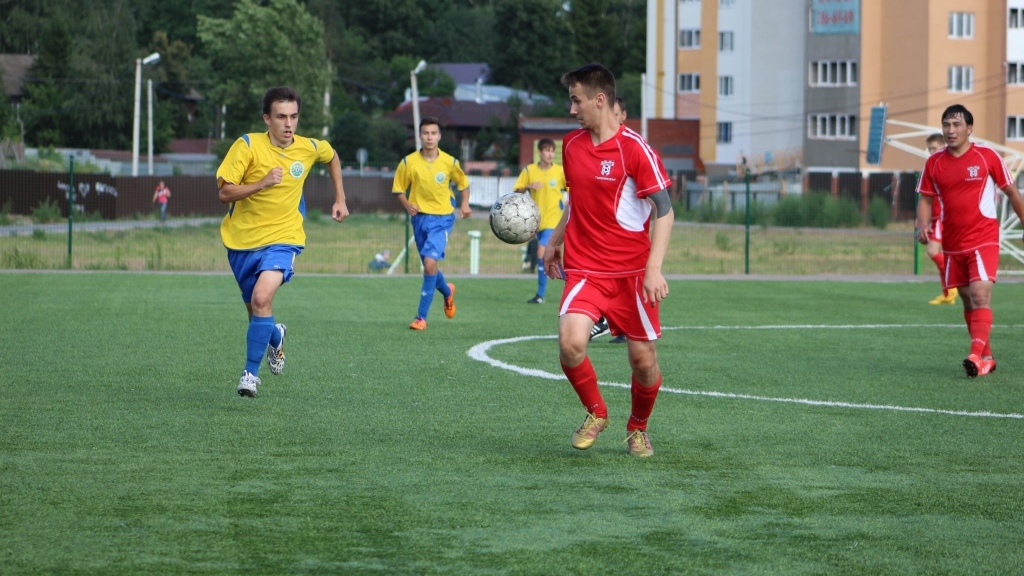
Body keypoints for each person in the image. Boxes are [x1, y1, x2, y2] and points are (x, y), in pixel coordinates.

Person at [543, 63, 674, 457]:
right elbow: (576, 200)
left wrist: (653, 269)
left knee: (643, 361)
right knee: (570, 344)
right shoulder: (571, 145)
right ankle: (597, 412)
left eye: (576, 100)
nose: (572, 109)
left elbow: (665, 210)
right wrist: (554, 241)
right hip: (586, 269)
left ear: (599, 100)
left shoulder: (635, 149)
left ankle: (638, 428)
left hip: (633, 274)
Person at [217, 86, 350, 397]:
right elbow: (225, 192)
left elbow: (332, 156)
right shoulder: (247, 146)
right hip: (242, 242)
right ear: (267, 119)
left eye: (293, 116)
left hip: (284, 239)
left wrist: (340, 198)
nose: (288, 124)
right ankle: (275, 336)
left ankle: (250, 375)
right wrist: (262, 183)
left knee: (262, 299)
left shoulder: (308, 147)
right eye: (281, 117)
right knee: (256, 312)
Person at [916, 104, 1024, 378]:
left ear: (969, 128)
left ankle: (974, 354)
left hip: (984, 239)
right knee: (967, 301)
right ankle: (986, 359)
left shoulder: (987, 156)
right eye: (946, 125)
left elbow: (1012, 192)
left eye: (956, 124)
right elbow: (925, 199)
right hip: (953, 244)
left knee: (980, 295)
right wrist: (923, 224)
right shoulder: (934, 163)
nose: (950, 130)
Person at [392, 116, 471, 330]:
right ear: (420, 136)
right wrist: (407, 204)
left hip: (442, 218)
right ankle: (448, 291)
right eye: (426, 133)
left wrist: (464, 204)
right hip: (419, 219)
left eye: (433, 133)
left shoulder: (449, 162)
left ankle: (421, 318)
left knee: (429, 264)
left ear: (439, 136)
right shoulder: (408, 162)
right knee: (430, 267)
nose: (429, 137)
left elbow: (463, 184)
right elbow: (398, 189)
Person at [591, 97, 631, 344]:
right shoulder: (594, 146)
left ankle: (612, 323)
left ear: (623, 116)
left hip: (623, 236)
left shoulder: (631, 148)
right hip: (597, 231)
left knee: (620, 283)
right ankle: (601, 319)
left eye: (615, 114)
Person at [513, 138, 566, 304]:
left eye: (552, 151)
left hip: (554, 221)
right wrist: (528, 186)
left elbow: (573, 188)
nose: (550, 154)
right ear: (539, 152)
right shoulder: (529, 170)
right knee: (551, 259)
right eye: (547, 150)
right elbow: (516, 192)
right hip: (536, 222)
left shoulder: (560, 171)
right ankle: (570, 280)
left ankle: (540, 295)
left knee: (541, 253)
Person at [923, 133, 957, 305]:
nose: (931, 152)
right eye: (929, 149)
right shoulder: (933, 165)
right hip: (936, 217)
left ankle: (952, 286)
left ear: (943, 146)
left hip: (943, 216)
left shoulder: (947, 166)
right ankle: (947, 292)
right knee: (942, 254)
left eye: (934, 148)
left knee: (933, 251)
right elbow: (927, 196)